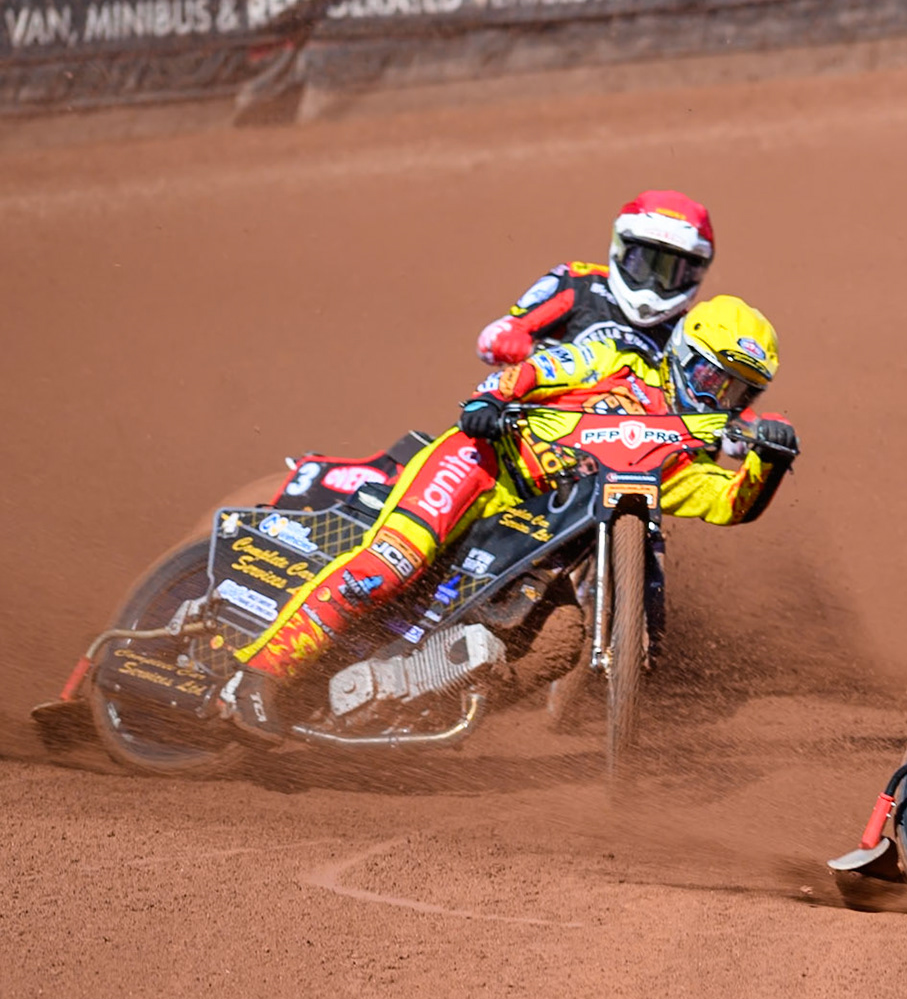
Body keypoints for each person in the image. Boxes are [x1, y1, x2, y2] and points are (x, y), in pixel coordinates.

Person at [222, 296, 799, 732]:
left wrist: (767, 463)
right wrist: (492, 398)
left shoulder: (671, 460)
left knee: (559, 639)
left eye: (737, 394)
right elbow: (548, 368)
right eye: (710, 378)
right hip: (481, 464)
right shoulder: (621, 358)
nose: (717, 398)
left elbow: (730, 503)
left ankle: (419, 703)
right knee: (387, 566)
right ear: (681, 353)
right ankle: (259, 674)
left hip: (527, 538)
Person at [476, 190, 715, 366]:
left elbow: (715, 396)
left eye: (671, 272)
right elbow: (494, 335)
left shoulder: (688, 332)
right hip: (548, 421)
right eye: (642, 264)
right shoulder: (578, 283)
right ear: (621, 250)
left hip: (636, 430)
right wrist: (509, 341)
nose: (652, 284)